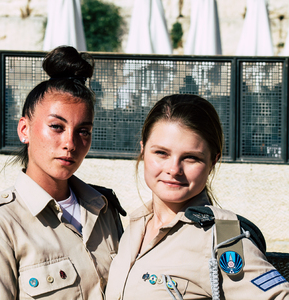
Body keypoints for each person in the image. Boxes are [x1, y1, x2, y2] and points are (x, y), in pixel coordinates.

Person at [0, 46, 124, 300]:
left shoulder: (104, 210)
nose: (70, 143)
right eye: (56, 127)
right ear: (24, 129)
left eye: (83, 131)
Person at [105, 94, 289, 300]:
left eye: (191, 157)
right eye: (161, 153)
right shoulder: (134, 227)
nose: (174, 169)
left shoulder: (221, 237)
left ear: (213, 161)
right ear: (143, 150)